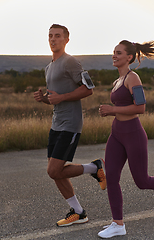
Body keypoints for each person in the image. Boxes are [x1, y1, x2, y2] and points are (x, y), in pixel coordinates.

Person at [97, 40, 154, 238]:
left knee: (142, 181)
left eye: (118, 53)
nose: (114, 55)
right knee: (111, 176)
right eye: (113, 52)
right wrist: (111, 113)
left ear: (129, 57)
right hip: (117, 133)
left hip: (133, 134)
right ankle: (117, 224)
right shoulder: (117, 81)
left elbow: (141, 107)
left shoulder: (132, 78)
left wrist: (112, 109)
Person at [33, 24, 106, 227]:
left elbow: (89, 89)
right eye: (50, 36)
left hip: (71, 124)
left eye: (57, 36)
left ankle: (95, 167)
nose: (53, 39)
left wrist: (62, 97)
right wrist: (44, 99)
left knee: (53, 171)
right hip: (56, 123)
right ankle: (79, 212)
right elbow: (56, 99)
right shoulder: (48, 67)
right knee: (55, 171)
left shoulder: (71, 62)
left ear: (66, 40)